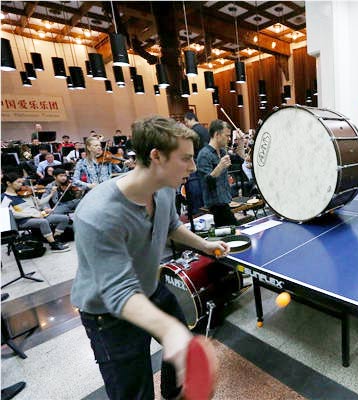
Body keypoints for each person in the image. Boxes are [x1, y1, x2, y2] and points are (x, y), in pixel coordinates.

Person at [71, 115, 226, 400]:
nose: (193, 167)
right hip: (108, 314)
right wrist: (170, 332)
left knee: (181, 348)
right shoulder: (97, 215)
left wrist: (205, 245)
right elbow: (118, 293)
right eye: (185, 159)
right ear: (156, 156)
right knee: (135, 393)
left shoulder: (164, 189)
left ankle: (174, 393)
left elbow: (170, 227)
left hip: (151, 290)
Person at [1, 172, 70, 252]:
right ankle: (53, 245)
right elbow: (12, 214)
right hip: (23, 221)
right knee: (43, 222)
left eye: (21, 182)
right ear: (8, 183)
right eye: (18, 182)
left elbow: (39, 203)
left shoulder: (23, 193)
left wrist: (51, 194)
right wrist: (33, 215)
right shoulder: (4, 198)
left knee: (64, 218)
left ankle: (56, 239)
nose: (21, 184)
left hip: (38, 216)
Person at [197, 119, 237, 227]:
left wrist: (241, 143)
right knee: (234, 229)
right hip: (215, 204)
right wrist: (220, 167)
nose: (229, 139)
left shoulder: (223, 151)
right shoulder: (204, 155)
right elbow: (207, 182)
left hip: (225, 200)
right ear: (217, 134)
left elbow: (240, 160)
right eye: (227, 136)